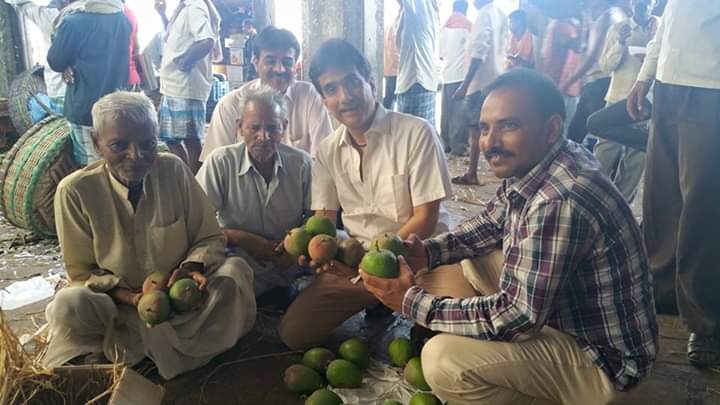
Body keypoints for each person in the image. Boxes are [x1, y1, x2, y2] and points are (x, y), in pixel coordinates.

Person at [360, 69, 658, 404]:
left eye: (509, 125)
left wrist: (411, 303)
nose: (491, 142)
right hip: (571, 324)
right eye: (486, 128)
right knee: (474, 258)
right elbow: (487, 225)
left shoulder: (560, 199)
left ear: (551, 129)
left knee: (443, 360)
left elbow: (519, 315)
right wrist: (426, 253)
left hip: (607, 368)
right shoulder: (542, 161)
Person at [41, 91, 256, 380]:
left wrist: (192, 268)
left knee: (235, 273)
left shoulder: (174, 170)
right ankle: (142, 352)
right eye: (119, 145)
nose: (136, 156)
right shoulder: (75, 191)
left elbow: (209, 236)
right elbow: (82, 272)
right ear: (96, 143)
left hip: (183, 305)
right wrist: (131, 298)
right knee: (71, 303)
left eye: (147, 144)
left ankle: (137, 356)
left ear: (157, 139)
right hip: (118, 308)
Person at [278, 39, 452, 350]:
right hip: (357, 268)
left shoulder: (417, 133)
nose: (344, 97)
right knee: (294, 334)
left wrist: (373, 263)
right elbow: (324, 221)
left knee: (448, 347)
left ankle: (400, 307)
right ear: (323, 99)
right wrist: (319, 252)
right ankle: (379, 301)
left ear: (370, 82)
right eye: (331, 89)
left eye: (352, 83)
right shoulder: (327, 151)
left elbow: (426, 218)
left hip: (420, 262)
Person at [626, 0, 720, 367]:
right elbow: (668, 20)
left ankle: (705, 321)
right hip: (668, 84)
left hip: (712, 86)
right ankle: (660, 291)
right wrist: (645, 76)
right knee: (661, 197)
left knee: (702, 204)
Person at [196, 86, 311, 297]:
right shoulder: (220, 163)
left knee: (339, 239)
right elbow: (196, 227)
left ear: (284, 127)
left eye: (273, 128)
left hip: (289, 261)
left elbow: (315, 218)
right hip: (239, 261)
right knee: (227, 273)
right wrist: (242, 238)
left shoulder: (302, 163)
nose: (264, 136)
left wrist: (293, 246)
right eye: (254, 127)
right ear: (239, 127)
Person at [201, 26, 333, 160]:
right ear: (255, 62)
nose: (279, 69)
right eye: (270, 61)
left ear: (295, 66)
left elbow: (324, 159)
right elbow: (214, 163)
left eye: (287, 62)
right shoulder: (230, 105)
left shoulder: (310, 96)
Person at [588, 0, 657, 203]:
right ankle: (591, 200)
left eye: (648, 1)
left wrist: (652, 59)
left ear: (655, 3)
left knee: (635, 163)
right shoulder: (620, 28)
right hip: (617, 99)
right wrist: (619, 42)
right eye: (638, 1)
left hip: (646, 105)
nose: (643, 5)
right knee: (604, 155)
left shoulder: (661, 28)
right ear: (632, 3)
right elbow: (606, 65)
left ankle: (619, 208)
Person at [47, 0, 130, 166]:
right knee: (118, 163)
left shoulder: (73, 22)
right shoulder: (121, 18)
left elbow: (55, 60)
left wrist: (67, 65)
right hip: (118, 106)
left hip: (84, 106)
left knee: (91, 168)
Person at [158, 0, 221, 172]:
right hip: (177, 86)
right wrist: (162, 14)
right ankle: (188, 181)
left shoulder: (195, 7)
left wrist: (185, 62)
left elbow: (207, 40)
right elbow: (176, 39)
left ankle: (192, 185)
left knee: (189, 141)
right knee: (174, 139)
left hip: (183, 87)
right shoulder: (187, 7)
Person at [451, 0, 507, 184]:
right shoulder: (499, 13)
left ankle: (472, 173)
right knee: (489, 128)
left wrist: (464, 85)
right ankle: (478, 171)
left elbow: (478, 52)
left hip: (480, 82)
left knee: (476, 130)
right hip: (495, 77)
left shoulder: (484, 14)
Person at [563, 0, 627, 145]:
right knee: (576, 132)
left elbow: (593, 56)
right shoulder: (602, 16)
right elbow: (583, 49)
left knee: (600, 136)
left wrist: (569, 81)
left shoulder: (608, 16)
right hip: (594, 82)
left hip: (601, 82)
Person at [6, 0, 67, 114]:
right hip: (85, 92)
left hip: (59, 91)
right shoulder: (94, 17)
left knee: (35, 104)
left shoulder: (51, 16)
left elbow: (22, 4)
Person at [395, 0, 439, 125]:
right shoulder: (425, 10)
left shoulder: (419, 5)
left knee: (412, 136)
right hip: (417, 82)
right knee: (419, 135)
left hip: (415, 82)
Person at [439, 0, 472, 154]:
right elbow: (472, 53)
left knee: (446, 112)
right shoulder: (468, 25)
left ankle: (445, 144)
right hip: (461, 75)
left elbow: (441, 54)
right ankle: (458, 147)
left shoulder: (444, 26)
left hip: (447, 74)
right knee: (459, 114)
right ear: (465, 10)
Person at [382, 4, 401, 110]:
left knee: (389, 97)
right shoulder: (395, 27)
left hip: (389, 69)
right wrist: (401, 65)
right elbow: (393, 51)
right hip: (394, 70)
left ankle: (385, 118)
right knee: (393, 98)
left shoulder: (389, 26)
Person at [122, 0, 141, 90]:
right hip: (131, 76)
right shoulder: (130, 13)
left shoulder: (106, 14)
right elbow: (137, 47)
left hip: (114, 80)